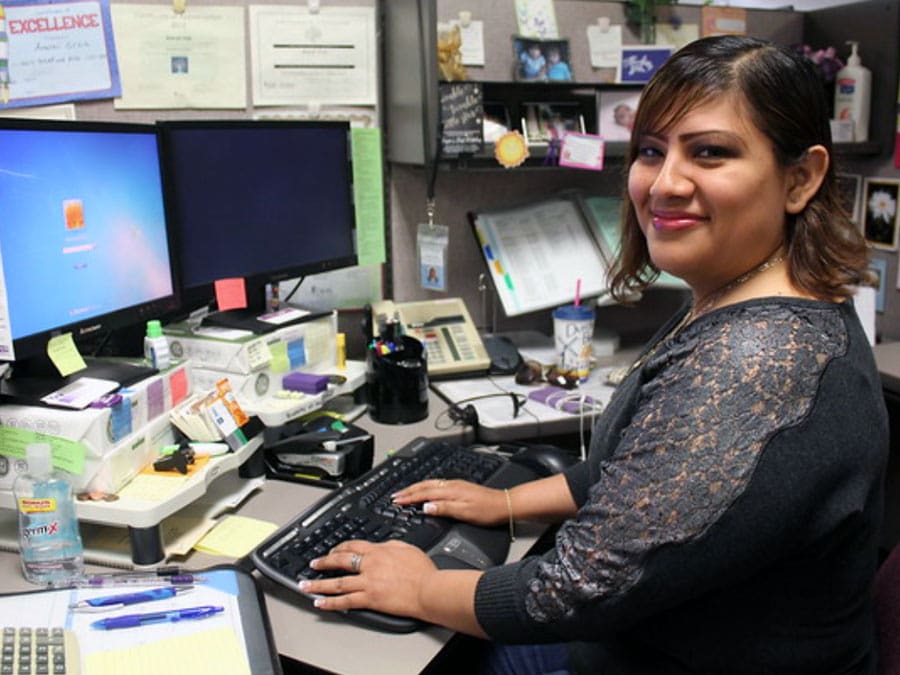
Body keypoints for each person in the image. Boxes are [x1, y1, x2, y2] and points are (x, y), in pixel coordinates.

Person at [302, 35, 889, 674]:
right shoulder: (743, 299)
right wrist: (504, 502)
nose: (664, 184)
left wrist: (418, 587)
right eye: (650, 151)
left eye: (710, 153)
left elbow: (569, 590)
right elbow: (643, 475)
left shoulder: (759, 362)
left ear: (800, 178)